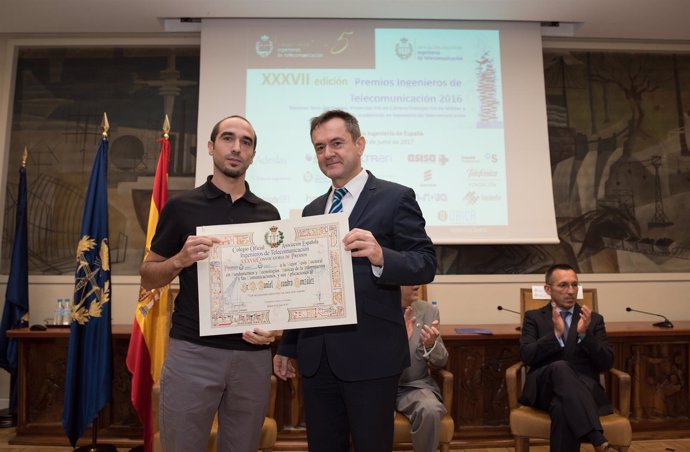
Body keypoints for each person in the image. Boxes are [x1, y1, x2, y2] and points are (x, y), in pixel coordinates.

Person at [273, 109, 437, 452]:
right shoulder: (311, 211)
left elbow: (425, 263)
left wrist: (381, 257)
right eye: (319, 147)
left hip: (372, 354)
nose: (328, 153)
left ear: (359, 144)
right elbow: (305, 284)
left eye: (336, 143)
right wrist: (288, 346)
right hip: (317, 357)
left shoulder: (396, 197)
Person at [140, 115, 279, 452]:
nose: (236, 147)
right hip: (193, 351)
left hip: (251, 355)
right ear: (211, 146)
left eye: (246, 142)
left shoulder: (268, 215)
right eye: (228, 138)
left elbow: (276, 290)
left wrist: (278, 331)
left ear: (253, 154)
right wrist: (179, 260)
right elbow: (148, 274)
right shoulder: (181, 206)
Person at [519, 263, 618, 452]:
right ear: (548, 289)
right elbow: (527, 356)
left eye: (575, 285)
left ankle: (599, 441)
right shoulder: (534, 317)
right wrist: (555, 336)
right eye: (563, 285)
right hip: (544, 387)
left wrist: (584, 335)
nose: (571, 291)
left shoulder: (593, 320)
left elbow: (607, 362)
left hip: (584, 390)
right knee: (560, 367)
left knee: (562, 407)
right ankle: (598, 439)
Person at [398, 285, 448, 452]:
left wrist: (432, 345)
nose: (417, 284)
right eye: (409, 279)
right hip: (377, 385)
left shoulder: (429, 311)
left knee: (430, 409)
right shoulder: (374, 310)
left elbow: (441, 362)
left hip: (414, 385)